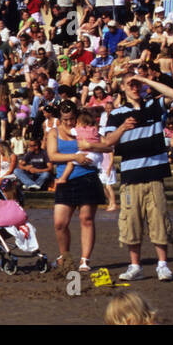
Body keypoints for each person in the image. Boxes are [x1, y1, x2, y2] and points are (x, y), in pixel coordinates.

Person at [85, 75, 173, 282]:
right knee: (131, 222)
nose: (134, 87)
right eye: (130, 84)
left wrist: (144, 78)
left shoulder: (153, 105)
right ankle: (135, 265)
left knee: (159, 220)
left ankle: (162, 264)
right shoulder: (117, 114)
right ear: (123, 88)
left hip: (154, 174)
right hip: (131, 175)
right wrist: (123, 128)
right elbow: (108, 142)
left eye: (137, 85)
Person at [45, 99, 105, 274]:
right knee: (59, 223)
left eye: (72, 118)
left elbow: (106, 144)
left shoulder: (85, 129)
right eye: (65, 120)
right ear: (60, 119)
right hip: (65, 179)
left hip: (87, 177)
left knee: (86, 219)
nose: (69, 122)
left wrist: (92, 145)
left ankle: (85, 260)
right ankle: (65, 256)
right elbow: (53, 156)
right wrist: (74, 157)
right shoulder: (54, 133)